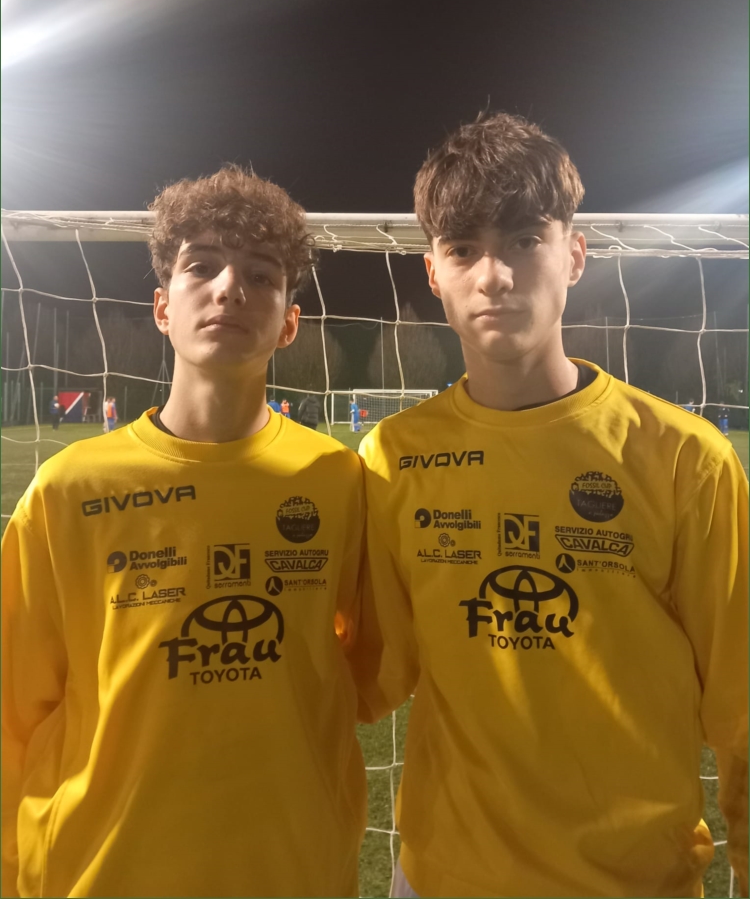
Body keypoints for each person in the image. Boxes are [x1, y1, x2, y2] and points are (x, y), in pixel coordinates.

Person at [352, 112, 748, 899]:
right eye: (462, 249)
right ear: (433, 273)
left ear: (574, 255)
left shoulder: (684, 459)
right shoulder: (393, 459)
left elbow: (742, 707)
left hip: (634, 883)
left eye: (525, 240)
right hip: (440, 880)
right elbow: (368, 673)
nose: (493, 276)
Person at [2, 166, 367, 899]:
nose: (229, 288)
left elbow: (366, 669)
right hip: (100, 872)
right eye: (201, 266)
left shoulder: (337, 480)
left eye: (261, 275)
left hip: (291, 869)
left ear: (289, 323)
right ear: (163, 307)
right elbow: (12, 706)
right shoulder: (70, 489)